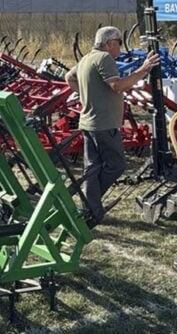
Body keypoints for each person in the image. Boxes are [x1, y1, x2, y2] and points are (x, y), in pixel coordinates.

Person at [65, 26, 159, 225]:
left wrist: (86, 96)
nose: (120, 47)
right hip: (104, 124)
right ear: (109, 44)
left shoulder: (87, 58)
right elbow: (118, 86)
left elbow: (69, 78)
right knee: (116, 165)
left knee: (92, 168)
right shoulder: (104, 58)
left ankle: (90, 207)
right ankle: (92, 206)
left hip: (89, 122)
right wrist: (143, 69)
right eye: (118, 42)